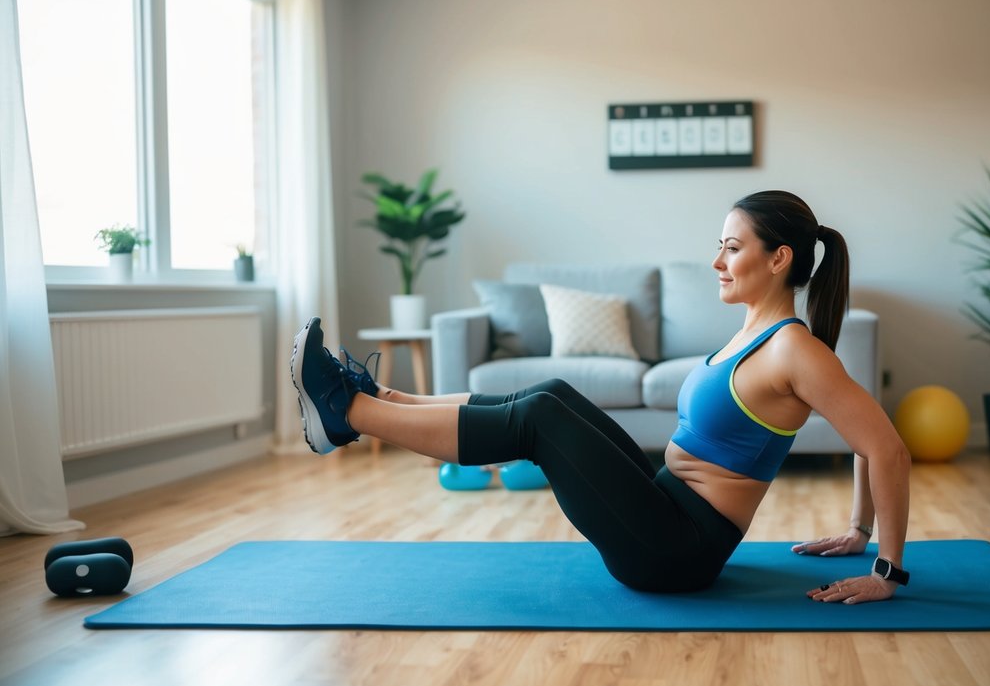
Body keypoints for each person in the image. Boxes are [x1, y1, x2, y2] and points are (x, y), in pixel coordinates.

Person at [291, 190, 911, 603]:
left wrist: (884, 566)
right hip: (664, 509)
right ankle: (379, 395)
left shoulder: (794, 350)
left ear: (779, 258)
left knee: (537, 420)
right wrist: (855, 527)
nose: (717, 260)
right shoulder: (756, 332)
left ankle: (345, 414)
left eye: (731, 247)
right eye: (720, 245)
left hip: (676, 552)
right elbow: (863, 438)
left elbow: (884, 446)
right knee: (553, 393)